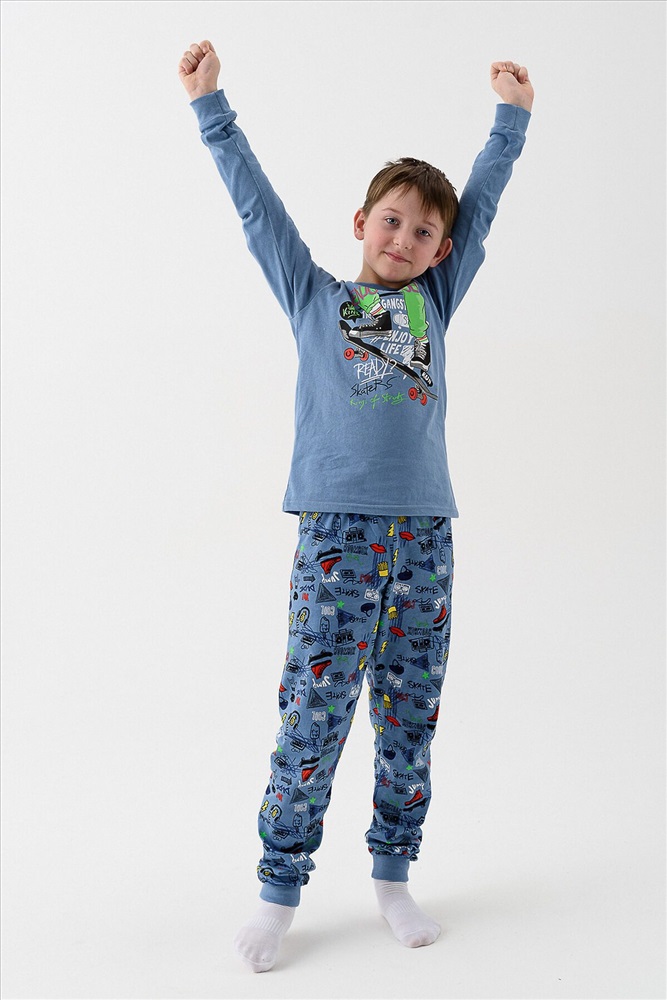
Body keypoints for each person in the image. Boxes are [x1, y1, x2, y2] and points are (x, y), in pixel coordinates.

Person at [178, 39, 533, 973]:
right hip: (336, 531)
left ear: (441, 250)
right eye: (390, 221)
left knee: (410, 711)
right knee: (314, 710)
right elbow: (257, 212)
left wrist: (509, 122)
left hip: (423, 539)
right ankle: (278, 889)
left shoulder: (436, 300)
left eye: (423, 232)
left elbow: (482, 206)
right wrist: (212, 109)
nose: (403, 240)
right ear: (360, 223)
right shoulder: (313, 296)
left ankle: (392, 876)